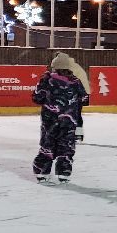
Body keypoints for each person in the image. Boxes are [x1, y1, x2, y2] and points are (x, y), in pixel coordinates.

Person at [32, 53, 90, 183]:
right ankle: (64, 173)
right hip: (69, 120)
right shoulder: (75, 81)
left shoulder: (46, 79)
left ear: (54, 66)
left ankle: (42, 172)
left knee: (47, 143)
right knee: (67, 145)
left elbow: (36, 98)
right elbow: (85, 99)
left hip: (49, 119)